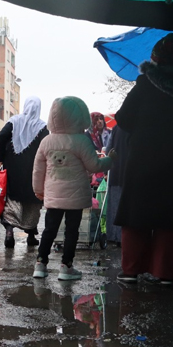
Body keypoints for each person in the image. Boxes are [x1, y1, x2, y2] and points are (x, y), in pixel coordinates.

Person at [114, 33, 173, 285]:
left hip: (146, 156)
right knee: (172, 216)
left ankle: (131, 271)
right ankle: (164, 273)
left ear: (155, 56)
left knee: (137, 213)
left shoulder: (145, 83)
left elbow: (123, 118)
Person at [32, 97, 114, 280]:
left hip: (53, 196)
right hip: (75, 196)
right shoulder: (81, 141)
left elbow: (38, 170)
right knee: (72, 231)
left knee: (49, 230)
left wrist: (38, 190)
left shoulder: (46, 141)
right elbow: (94, 166)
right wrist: (110, 160)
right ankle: (66, 267)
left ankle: (40, 264)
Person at [0, 95, 49, 248]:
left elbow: (2, 136)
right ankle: (31, 235)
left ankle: (9, 230)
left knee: (12, 198)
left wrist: (1, 158)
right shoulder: (42, 126)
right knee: (32, 200)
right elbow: (46, 146)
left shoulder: (14, 121)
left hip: (12, 167)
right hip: (33, 169)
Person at [104, 124, 130, 244]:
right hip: (130, 173)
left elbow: (109, 149)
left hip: (115, 172)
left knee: (114, 205)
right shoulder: (137, 127)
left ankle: (112, 235)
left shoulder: (116, 128)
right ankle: (122, 237)